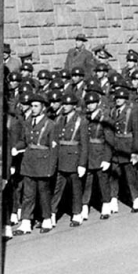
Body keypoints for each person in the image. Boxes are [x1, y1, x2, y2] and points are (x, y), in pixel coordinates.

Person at [14, 94, 57, 235]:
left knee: (43, 193)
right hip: (29, 162)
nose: (33, 109)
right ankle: (26, 221)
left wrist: (51, 168)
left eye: (36, 106)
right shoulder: (27, 122)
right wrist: (16, 147)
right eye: (32, 106)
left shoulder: (50, 124)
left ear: (43, 108)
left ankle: (46, 219)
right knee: (28, 194)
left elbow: (53, 148)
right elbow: (24, 141)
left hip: (43, 163)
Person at [52, 93, 88, 226]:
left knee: (76, 189)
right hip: (61, 158)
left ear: (74, 106)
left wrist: (82, 163)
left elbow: (84, 144)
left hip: (74, 158)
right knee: (57, 188)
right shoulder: (59, 119)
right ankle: (52, 213)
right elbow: (55, 140)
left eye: (68, 104)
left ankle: (77, 213)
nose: (65, 106)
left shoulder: (81, 121)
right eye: (64, 104)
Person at [82, 91, 114, 219]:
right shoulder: (85, 118)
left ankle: (106, 205)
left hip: (100, 154)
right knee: (86, 183)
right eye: (88, 103)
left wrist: (107, 158)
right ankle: (84, 207)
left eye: (92, 103)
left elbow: (109, 140)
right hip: (88, 154)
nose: (90, 106)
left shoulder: (105, 118)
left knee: (103, 182)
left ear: (98, 103)